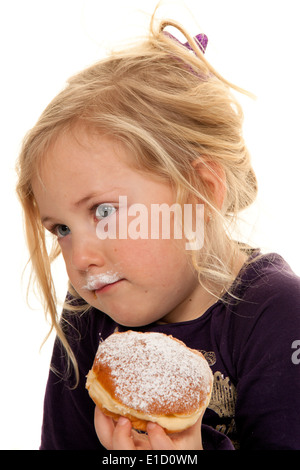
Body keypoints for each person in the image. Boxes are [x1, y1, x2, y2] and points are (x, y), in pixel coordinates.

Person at [16, 8, 300, 450]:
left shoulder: (277, 316)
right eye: (61, 229)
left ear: (200, 192)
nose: (80, 258)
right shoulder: (88, 318)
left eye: (104, 212)